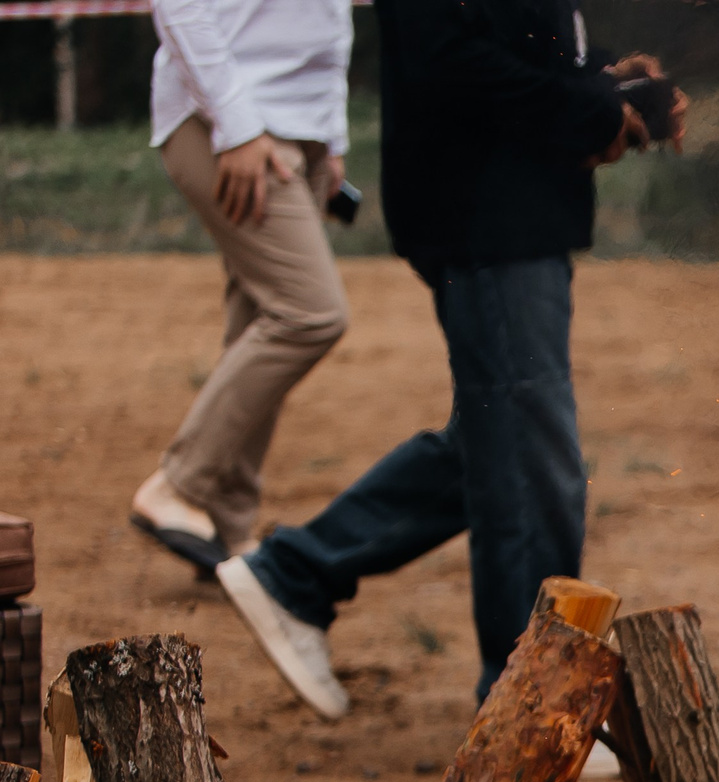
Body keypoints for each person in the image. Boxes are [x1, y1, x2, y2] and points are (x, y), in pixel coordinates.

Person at [213, 0, 683, 719]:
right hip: (485, 211)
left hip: (509, 205)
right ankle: (528, 703)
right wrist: (589, 111)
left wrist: (606, 80)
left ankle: (296, 574)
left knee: (496, 440)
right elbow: (451, 59)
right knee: (529, 454)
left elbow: (520, 35)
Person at [133, 0, 353, 575]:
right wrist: (236, 124)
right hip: (230, 123)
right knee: (310, 314)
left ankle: (227, 527)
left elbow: (327, 17)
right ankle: (177, 485)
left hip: (293, 127)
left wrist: (328, 136)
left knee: (259, 313)